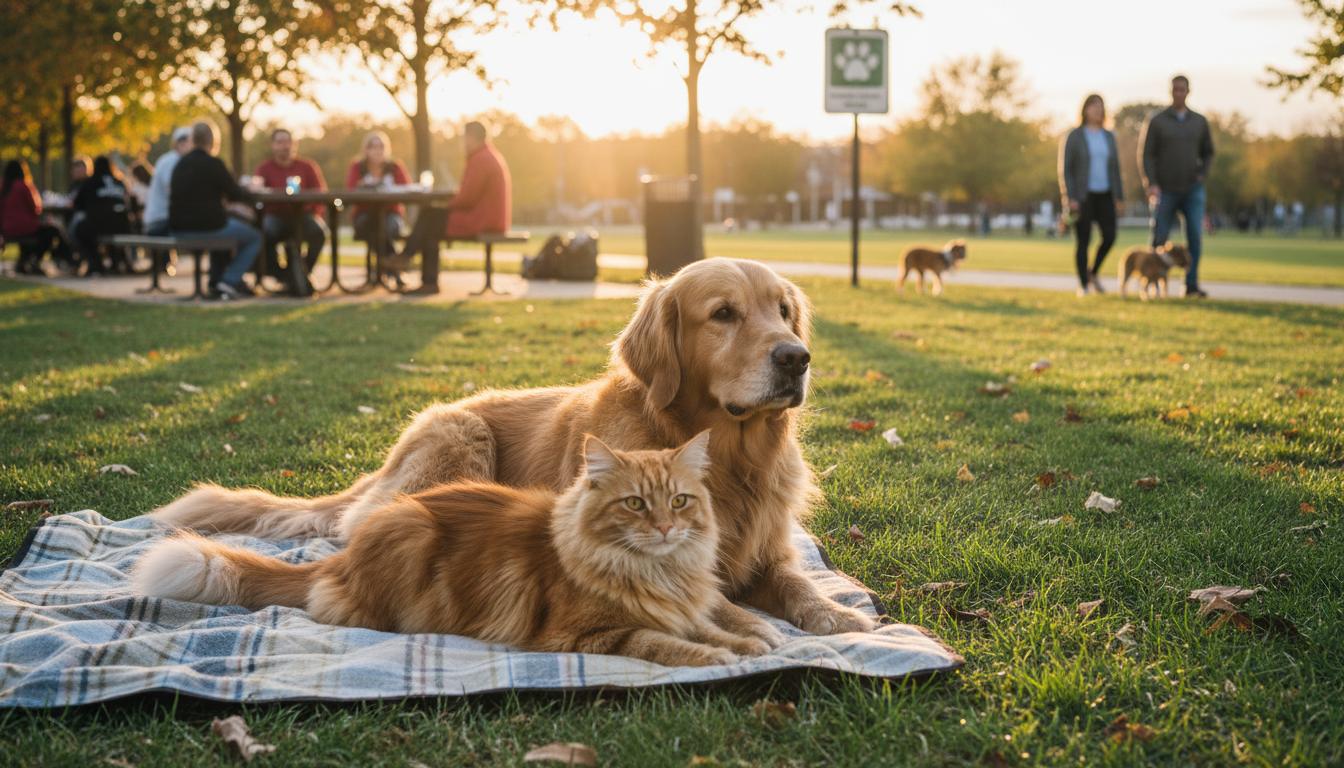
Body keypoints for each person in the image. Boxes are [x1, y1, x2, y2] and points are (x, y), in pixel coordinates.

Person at [399, 121, 512, 295]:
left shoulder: (481, 159)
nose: (462, 143)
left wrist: (447, 206)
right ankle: (417, 268)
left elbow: (467, 198)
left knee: (430, 217)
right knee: (431, 220)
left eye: (463, 138)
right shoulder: (487, 156)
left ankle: (409, 260)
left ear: (471, 138)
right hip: (487, 217)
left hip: (483, 219)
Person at [1140, 75, 1215, 299]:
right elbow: (1146, 155)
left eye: (1182, 90)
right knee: (1159, 236)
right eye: (1175, 90)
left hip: (1192, 188)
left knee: (1194, 236)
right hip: (1165, 188)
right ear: (1170, 91)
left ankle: (1190, 285)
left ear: (1188, 91)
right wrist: (1151, 183)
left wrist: (1202, 174)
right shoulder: (1158, 120)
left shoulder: (1199, 121)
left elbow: (1208, 152)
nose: (1179, 93)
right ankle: (1152, 281)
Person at [169, 120, 261, 300]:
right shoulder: (213, 163)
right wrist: (251, 192)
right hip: (208, 228)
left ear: (193, 140)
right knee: (254, 237)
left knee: (227, 226)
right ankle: (229, 280)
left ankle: (216, 280)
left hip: (178, 229)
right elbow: (235, 193)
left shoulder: (180, 165)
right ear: (212, 142)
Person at [1059, 93, 1124, 296]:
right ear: (1085, 109)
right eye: (1094, 106)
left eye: (1101, 106)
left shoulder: (1108, 136)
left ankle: (1093, 272)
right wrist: (1069, 197)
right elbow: (1066, 169)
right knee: (1083, 241)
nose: (1098, 110)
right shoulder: (1075, 136)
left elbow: (1115, 168)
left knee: (1110, 236)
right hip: (1082, 196)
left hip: (1105, 193)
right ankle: (1083, 285)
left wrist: (1119, 196)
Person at [254, 128, 328, 292]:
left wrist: (314, 211)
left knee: (320, 232)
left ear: (295, 144)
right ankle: (284, 276)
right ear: (272, 145)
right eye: (280, 142)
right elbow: (256, 193)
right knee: (263, 232)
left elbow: (320, 194)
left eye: (288, 141)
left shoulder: (307, 166)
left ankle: (302, 273)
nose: (284, 146)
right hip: (275, 216)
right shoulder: (264, 168)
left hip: (304, 215)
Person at [346, 131, 409, 276]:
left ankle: (381, 271)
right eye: (373, 146)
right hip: (364, 215)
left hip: (391, 213)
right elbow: (351, 191)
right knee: (371, 225)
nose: (377, 150)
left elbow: (406, 190)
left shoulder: (395, 167)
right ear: (366, 149)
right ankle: (394, 269)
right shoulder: (357, 167)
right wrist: (363, 186)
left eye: (381, 146)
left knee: (385, 227)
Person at [1, 159, 74, 274]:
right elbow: (36, 208)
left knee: (43, 232)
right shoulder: (24, 186)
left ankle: (25, 261)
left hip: (6, 229)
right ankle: (43, 260)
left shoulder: (3, 186)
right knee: (53, 231)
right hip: (26, 227)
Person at [72, 156, 132, 274]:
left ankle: (95, 263)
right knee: (108, 227)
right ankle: (117, 262)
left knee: (79, 230)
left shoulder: (90, 182)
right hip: (122, 225)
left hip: (97, 225)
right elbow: (128, 204)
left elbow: (77, 204)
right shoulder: (119, 182)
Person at [143, 127, 191, 236]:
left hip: (160, 220)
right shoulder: (171, 161)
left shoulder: (172, 160)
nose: (188, 146)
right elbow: (173, 191)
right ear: (177, 144)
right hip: (159, 221)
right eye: (184, 142)